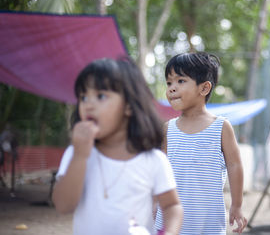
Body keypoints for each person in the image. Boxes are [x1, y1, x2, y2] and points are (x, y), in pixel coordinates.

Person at [52, 58, 183, 235]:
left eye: (101, 96)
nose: (88, 105)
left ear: (128, 106)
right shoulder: (76, 153)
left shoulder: (153, 160)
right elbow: (63, 205)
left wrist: (169, 232)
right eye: (83, 97)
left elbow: (172, 206)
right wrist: (80, 156)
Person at [155, 52, 248, 234]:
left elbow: (235, 165)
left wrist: (237, 205)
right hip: (170, 220)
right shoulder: (168, 128)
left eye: (180, 81)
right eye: (169, 83)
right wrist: (152, 202)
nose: (171, 88)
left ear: (204, 88)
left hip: (207, 222)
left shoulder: (221, 127)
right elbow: (160, 170)